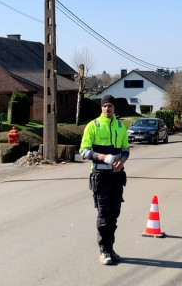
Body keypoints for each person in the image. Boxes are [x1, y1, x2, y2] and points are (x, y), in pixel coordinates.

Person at [79, 94, 129, 265]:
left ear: (114, 108)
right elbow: (84, 151)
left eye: (110, 106)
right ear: (101, 108)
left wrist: (122, 162)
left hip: (117, 177)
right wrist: (102, 157)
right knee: (104, 214)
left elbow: (126, 149)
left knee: (114, 214)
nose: (107, 109)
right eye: (105, 106)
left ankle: (110, 248)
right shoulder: (93, 126)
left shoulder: (121, 126)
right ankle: (104, 251)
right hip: (100, 176)